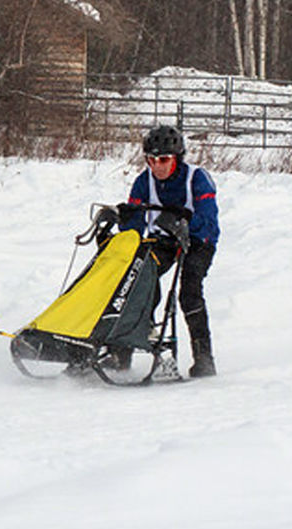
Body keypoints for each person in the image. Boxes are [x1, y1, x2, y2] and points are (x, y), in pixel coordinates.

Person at [117, 125, 220, 378]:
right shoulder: (144, 182)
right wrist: (122, 221)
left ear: (176, 158)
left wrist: (184, 224)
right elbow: (135, 225)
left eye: (164, 160)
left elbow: (208, 220)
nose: (157, 166)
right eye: (151, 160)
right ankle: (124, 350)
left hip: (199, 241)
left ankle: (204, 358)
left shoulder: (196, 178)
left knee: (190, 292)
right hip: (163, 240)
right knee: (137, 280)